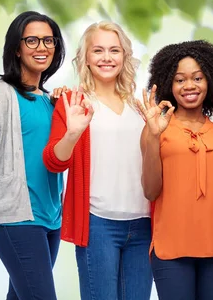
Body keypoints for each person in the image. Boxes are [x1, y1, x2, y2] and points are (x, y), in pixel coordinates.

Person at [0, 11, 66, 300]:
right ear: (17, 49)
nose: (41, 47)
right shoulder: (0, 95)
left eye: (48, 40)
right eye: (31, 40)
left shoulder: (51, 101)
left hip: (51, 219)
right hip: (16, 220)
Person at [42, 21, 153, 300]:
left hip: (144, 225)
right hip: (98, 225)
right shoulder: (72, 102)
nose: (106, 57)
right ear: (86, 58)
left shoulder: (140, 105)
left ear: (125, 56)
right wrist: (72, 133)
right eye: (98, 50)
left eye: (114, 50)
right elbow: (54, 162)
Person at [137, 40, 213, 300]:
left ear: (211, 81)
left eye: (197, 78)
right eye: (180, 80)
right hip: (171, 250)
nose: (189, 86)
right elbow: (150, 190)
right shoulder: (157, 129)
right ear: (169, 84)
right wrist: (154, 137)